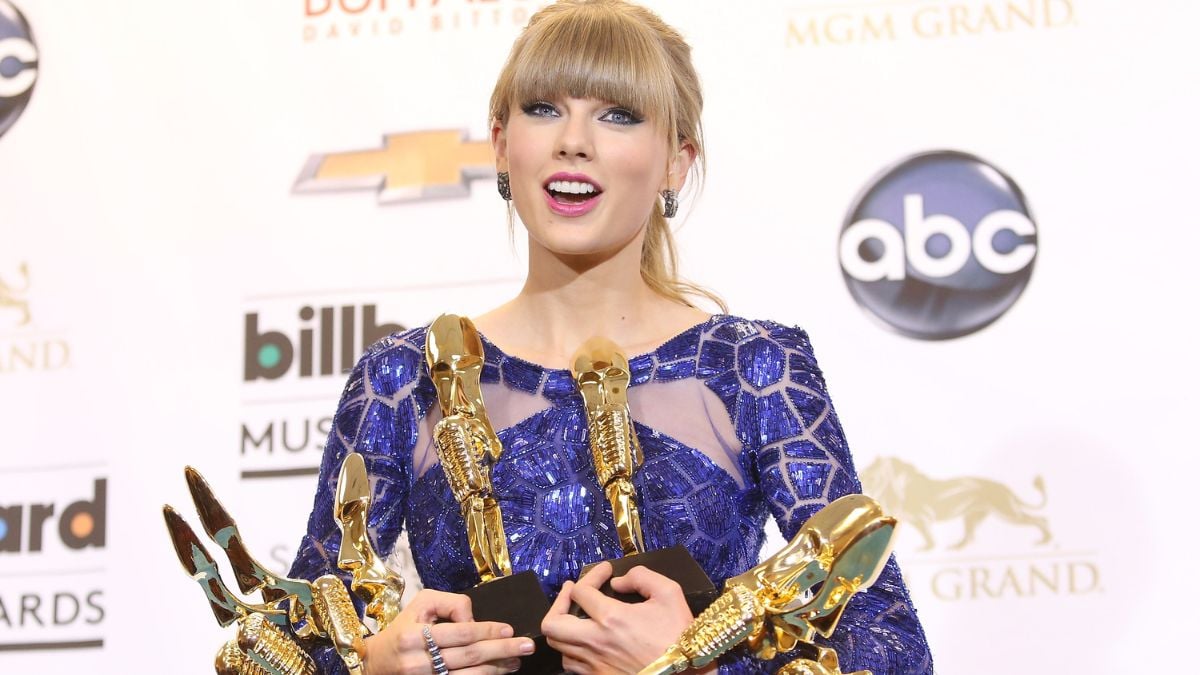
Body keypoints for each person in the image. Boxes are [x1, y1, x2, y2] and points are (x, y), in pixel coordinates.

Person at [289, 1, 934, 673]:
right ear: (503, 143)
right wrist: (370, 663)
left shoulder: (751, 366)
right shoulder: (403, 375)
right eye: (544, 108)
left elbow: (887, 646)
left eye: (618, 115)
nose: (574, 140)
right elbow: (296, 638)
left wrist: (697, 662)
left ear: (675, 164)